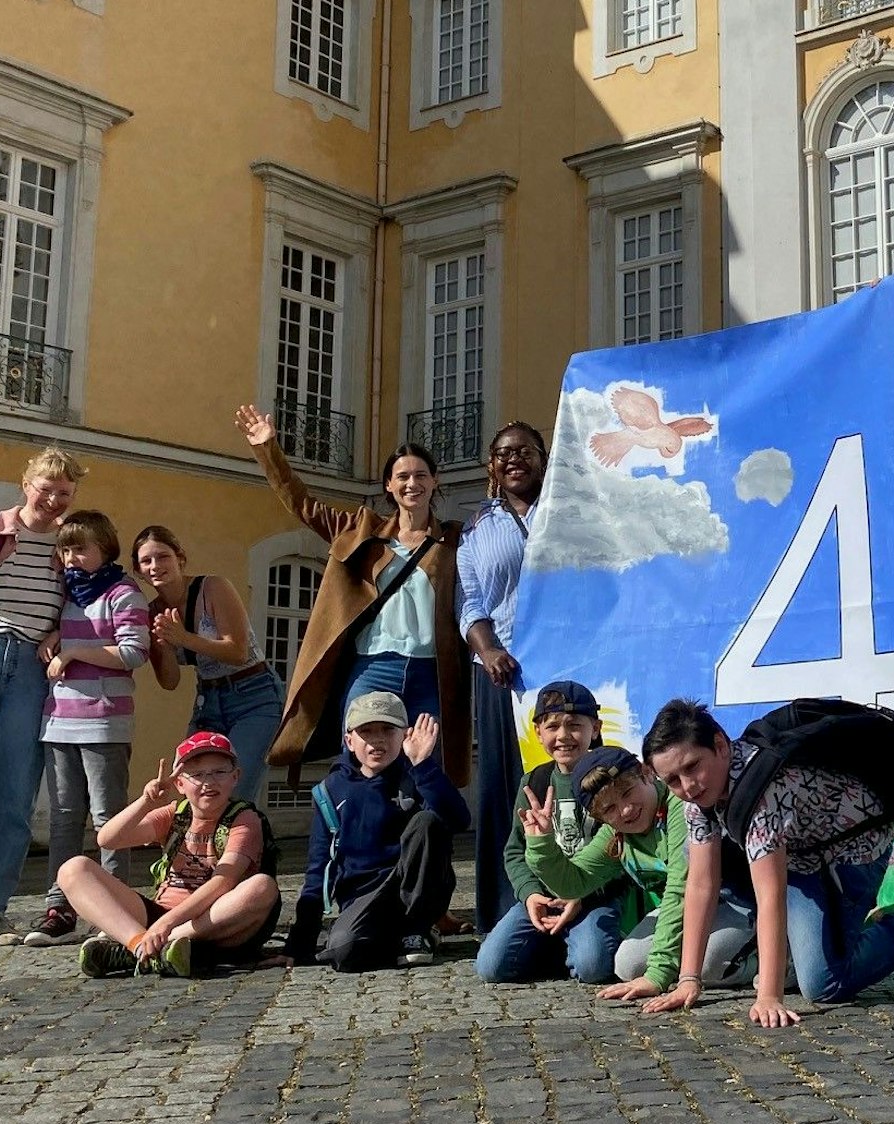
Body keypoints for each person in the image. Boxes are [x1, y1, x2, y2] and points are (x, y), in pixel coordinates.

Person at [636, 699, 894, 1028]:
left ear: (720, 745)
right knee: (815, 960)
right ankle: (833, 940)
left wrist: (768, 996)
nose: (688, 786)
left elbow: (771, 896)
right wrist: (688, 980)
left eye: (692, 766)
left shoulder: (764, 792)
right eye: (673, 781)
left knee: (825, 984)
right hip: (801, 857)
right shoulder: (698, 800)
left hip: (853, 852)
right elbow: (701, 884)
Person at [233, 405, 471, 788]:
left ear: (435, 481)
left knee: (425, 774)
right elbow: (304, 506)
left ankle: (418, 848)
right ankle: (352, 844)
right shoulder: (362, 531)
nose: (413, 483)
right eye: (403, 476)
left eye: (421, 475)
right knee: (360, 769)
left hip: (432, 672)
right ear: (389, 487)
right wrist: (269, 450)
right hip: (374, 667)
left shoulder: (457, 539)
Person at [522, 743, 758, 998]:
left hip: (737, 902)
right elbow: (573, 883)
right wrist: (542, 843)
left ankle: (779, 962)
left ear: (646, 774)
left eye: (627, 792)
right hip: (686, 910)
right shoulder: (617, 833)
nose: (625, 810)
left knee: (709, 964)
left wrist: (658, 974)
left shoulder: (679, 806)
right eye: (609, 809)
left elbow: (681, 889)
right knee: (629, 965)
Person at [22, 511, 151, 947]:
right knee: (62, 820)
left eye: (81, 548)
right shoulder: (69, 594)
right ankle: (60, 908)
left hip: (104, 722)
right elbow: (66, 632)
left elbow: (134, 653)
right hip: (58, 720)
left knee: (109, 822)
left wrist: (74, 648)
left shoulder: (123, 592)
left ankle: (112, 913)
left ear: (105, 549)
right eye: (66, 548)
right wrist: (55, 634)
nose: (71, 557)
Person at [0, 447, 83, 946]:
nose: (55, 499)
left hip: (30, 674)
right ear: (27, 483)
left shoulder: (69, 546)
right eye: (48, 488)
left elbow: (87, 608)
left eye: (65, 492)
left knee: (14, 798)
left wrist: (61, 633)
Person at [66, 732, 282, 978]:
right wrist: (146, 802)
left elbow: (224, 881)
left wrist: (165, 927)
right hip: (160, 914)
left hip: (209, 921)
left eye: (219, 772)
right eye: (197, 775)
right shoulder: (174, 814)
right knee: (74, 869)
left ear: (236, 777)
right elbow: (108, 839)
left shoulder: (244, 819)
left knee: (262, 887)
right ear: (180, 784)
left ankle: (150, 948)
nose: (208, 782)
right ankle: (138, 945)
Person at [283, 692, 469, 972]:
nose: (377, 740)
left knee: (427, 822)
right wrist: (300, 943)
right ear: (349, 740)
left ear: (405, 735)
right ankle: (396, 938)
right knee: (344, 953)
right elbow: (319, 869)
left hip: (412, 886)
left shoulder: (418, 776)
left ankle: (418, 929)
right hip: (363, 896)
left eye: (387, 730)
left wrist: (423, 766)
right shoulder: (330, 791)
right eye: (366, 732)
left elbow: (458, 820)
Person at [475, 680, 628, 984]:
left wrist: (583, 896)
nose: (563, 736)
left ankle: (582, 943)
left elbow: (622, 851)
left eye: (574, 725)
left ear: (595, 729)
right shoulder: (534, 781)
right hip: (544, 896)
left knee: (593, 968)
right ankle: (555, 943)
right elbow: (515, 850)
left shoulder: (611, 779)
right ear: (538, 732)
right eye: (553, 725)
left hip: (593, 898)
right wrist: (530, 894)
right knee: (491, 968)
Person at [458, 421, 548, 933]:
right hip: (500, 673)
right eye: (503, 453)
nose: (514, 459)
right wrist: (488, 648)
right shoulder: (477, 528)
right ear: (491, 467)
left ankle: (568, 894)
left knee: (557, 783)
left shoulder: (568, 511)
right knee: (503, 787)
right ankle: (502, 906)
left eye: (525, 451)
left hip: (562, 668)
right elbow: (469, 600)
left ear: (543, 457)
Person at [134, 525, 285, 805]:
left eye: (163, 556)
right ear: (138, 570)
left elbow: (238, 652)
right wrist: (165, 647)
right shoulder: (152, 612)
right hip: (208, 700)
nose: (155, 566)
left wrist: (183, 638)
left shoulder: (212, 587)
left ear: (180, 558)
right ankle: (199, 848)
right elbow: (170, 682)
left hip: (254, 695)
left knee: (233, 793)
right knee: (192, 788)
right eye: (146, 561)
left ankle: (242, 846)